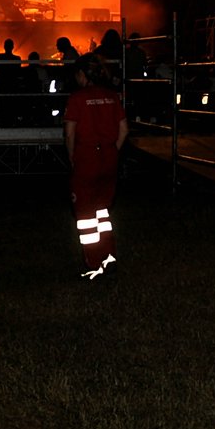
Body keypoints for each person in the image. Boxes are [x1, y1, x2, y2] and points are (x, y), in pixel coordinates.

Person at [64, 53, 127, 280]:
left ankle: (93, 262)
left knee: (85, 216)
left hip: (86, 156)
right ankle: (109, 255)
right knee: (103, 210)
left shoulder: (77, 98)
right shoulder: (112, 97)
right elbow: (124, 130)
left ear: (82, 74)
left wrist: (72, 156)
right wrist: (113, 150)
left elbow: (70, 132)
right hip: (109, 157)